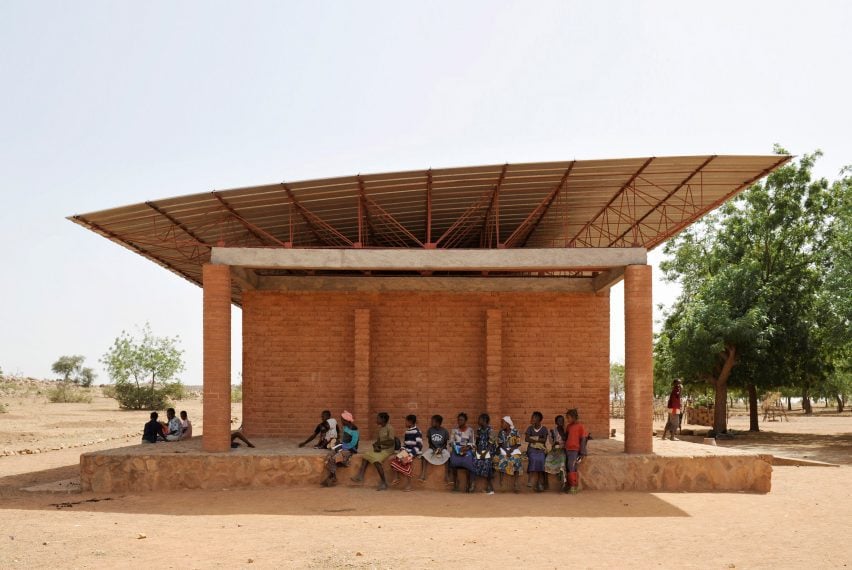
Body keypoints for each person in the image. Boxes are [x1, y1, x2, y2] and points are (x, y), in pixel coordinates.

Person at [351, 412, 396, 491]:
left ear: (383, 419)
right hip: (382, 448)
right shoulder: (380, 429)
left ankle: (384, 482)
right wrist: (376, 446)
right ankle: (360, 475)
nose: (376, 420)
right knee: (366, 455)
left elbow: (391, 442)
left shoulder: (390, 428)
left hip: (388, 449)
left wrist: (380, 444)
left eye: (378, 418)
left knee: (376, 460)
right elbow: (378, 441)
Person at [321, 411, 359, 487]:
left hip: (351, 449)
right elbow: (344, 440)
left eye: (342, 420)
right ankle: (333, 476)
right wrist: (339, 444)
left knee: (335, 458)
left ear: (346, 420)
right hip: (343, 446)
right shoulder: (345, 427)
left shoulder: (354, 430)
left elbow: (353, 443)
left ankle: (332, 476)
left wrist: (343, 447)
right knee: (329, 455)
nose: (341, 421)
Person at [390, 414, 423, 491]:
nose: (405, 423)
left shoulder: (417, 432)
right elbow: (405, 444)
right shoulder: (407, 432)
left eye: (406, 421)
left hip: (415, 452)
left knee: (406, 463)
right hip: (407, 451)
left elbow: (419, 446)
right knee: (395, 459)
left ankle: (409, 485)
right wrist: (402, 449)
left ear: (410, 422)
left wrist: (410, 455)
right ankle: (396, 477)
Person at [493, 416, 523, 493]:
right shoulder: (501, 432)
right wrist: (507, 451)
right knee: (501, 459)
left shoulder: (515, 431)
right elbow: (500, 443)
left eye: (502, 423)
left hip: (513, 450)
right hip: (504, 449)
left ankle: (516, 483)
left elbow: (518, 443)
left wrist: (511, 450)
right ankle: (501, 480)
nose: (501, 425)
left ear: (507, 423)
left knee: (517, 460)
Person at [448, 412, 476, 492]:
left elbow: (472, 443)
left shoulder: (470, 430)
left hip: (467, 450)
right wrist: (457, 448)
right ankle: (456, 483)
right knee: (453, 462)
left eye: (461, 420)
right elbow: (451, 442)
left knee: (468, 461)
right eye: (458, 420)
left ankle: (468, 484)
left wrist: (466, 448)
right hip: (457, 450)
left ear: (465, 421)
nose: (459, 421)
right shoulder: (454, 430)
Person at [564, 408, 589, 495]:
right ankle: (569, 484)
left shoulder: (580, 427)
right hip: (567, 449)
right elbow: (566, 437)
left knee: (572, 466)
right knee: (568, 466)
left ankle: (574, 486)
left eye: (568, 418)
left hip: (574, 450)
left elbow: (583, 440)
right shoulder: (568, 427)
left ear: (574, 417)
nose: (567, 420)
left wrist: (582, 452)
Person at [420, 414, 450, 482]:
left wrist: (441, 449)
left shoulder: (444, 431)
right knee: (424, 456)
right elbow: (429, 442)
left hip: (442, 448)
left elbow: (445, 443)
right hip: (432, 448)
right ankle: (423, 474)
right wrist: (433, 449)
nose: (431, 423)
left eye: (432, 421)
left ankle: (447, 475)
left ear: (438, 423)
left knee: (448, 456)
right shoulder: (430, 430)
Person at [472, 413, 497, 494]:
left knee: (487, 462)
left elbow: (491, 444)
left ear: (484, 421)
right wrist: (478, 451)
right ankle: (473, 483)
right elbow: (477, 442)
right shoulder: (479, 430)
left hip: (489, 451)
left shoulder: (491, 431)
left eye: (480, 419)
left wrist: (484, 453)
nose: (478, 421)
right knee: (474, 461)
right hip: (481, 450)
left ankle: (490, 485)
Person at [525, 411, 548, 492]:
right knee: (533, 458)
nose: (532, 419)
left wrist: (534, 439)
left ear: (538, 419)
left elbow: (544, 440)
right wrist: (538, 439)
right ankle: (530, 479)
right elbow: (526, 439)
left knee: (541, 459)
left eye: (533, 417)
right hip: (531, 449)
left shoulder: (544, 429)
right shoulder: (530, 428)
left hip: (541, 449)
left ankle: (539, 482)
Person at [544, 414, 567, 490]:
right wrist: (555, 443)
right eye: (559, 421)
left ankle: (563, 483)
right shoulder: (553, 431)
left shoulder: (566, 430)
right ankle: (545, 482)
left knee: (562, 462)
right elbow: (551, 442)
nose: (561, 422)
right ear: (556, 422)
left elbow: (568, 440)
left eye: (562, 420)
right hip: (554, 450)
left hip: (563, 450)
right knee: (546, 460)